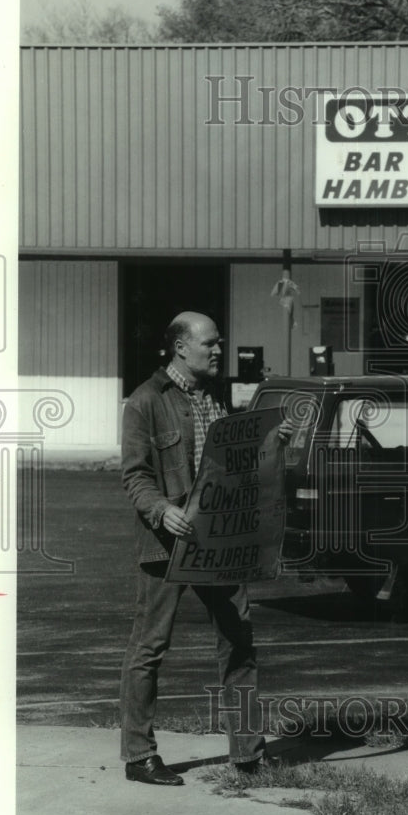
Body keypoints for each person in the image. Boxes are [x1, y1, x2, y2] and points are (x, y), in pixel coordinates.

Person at [119, 311, 284, 786]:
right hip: (166, 544)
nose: (217, 350)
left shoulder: (215, 399)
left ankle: (249, 755)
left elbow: (230, 466)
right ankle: (139, 757)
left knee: (239, 642)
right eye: (209, 344)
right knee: (149, 647)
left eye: (218, 343)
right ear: (180, 347)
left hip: (218, 545)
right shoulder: (145, 401)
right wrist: (159, 509)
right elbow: (134, 472)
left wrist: (272, 443)